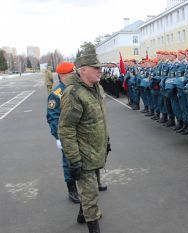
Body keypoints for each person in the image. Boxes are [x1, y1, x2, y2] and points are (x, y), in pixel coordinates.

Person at [59, 49, 110, 233]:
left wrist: (107, 140)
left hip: (97, 149)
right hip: (83, 154)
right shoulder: (74, 94)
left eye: (100, 67)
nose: (100, 70)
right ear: (82, 70)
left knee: (92, 188)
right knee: (91, 194)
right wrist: (74, 159)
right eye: (95, 67)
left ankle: (83, 214)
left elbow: (100, 118)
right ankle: (93, 226)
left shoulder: (98, 87)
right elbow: (66, 129)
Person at [46, 62, 80, 204]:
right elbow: (53, 118)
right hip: (66, 136)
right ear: (62, 76)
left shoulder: (77, 88)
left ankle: (93, 182)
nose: (74, 76)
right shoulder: (56, 94)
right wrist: (59, 138)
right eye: (71, 74)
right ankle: (72, 189)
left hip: (81, 132)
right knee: (69, 162)